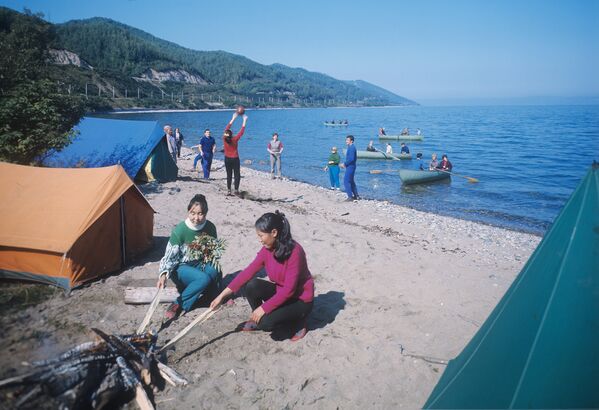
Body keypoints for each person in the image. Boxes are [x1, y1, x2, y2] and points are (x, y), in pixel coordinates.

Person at [210, 211, 314, 341]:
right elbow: (247, 272)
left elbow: (289, 290)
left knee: (266, 324)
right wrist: (222, 296)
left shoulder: (295, 252)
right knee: (251, 285)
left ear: (274, 233)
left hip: (300, 300)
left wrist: (264, 308)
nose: (259, 240)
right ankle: (261, 318)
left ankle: (299, 322)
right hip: (282, 294)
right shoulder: (268, 249)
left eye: (261, 235)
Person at [157, 194, 221, 320]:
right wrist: (163, 275)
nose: (196, 218)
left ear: (206, 214)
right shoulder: (180, 230)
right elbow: (169, 256)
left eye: (200, 213)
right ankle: (178, 303)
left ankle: (214, 296)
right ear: (188, 212)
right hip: (181, 267)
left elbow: (213, 250)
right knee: (203, 279)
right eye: (193, 213)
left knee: (215, 269)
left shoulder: (210, 227)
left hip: (199, 263)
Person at [223, 112, 248, 195]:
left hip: (227, 159)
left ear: (226, 134)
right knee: (237, 175)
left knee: (229, 175)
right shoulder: (235, 139)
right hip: (235, 159)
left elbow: (227, 128)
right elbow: (241, 132)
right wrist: (244, 120)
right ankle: (236, 190)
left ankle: (229, 190)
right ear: (231, 134)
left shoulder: (224, 138)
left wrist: (233, 118)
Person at [340, 135, 359, 201]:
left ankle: (350, 197)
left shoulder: (352, 148)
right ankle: (356, 196)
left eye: (347, 140)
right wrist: (345, 165)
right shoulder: (351, 147)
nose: (346, 141)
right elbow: (351, 159)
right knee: (351, 181)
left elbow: (351, 159)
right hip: (351, 166)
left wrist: (344, 164)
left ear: (352, 141)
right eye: (346, 140)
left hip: (351, 166)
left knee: (346, 181)